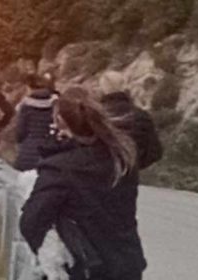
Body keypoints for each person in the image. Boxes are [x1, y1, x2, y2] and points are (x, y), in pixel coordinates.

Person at [19, 87, 146, 280]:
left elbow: (31, 221)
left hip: (85, 269)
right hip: (126, 265)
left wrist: (53, 257)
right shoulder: (122, 157)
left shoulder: (60, 168)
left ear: (60, 121)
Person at [98, 70, 163, 170]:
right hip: (130, 179)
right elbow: (155, 152)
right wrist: (134, 166)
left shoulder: (96, 117)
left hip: (100, 177)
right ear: (124, 87)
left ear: (102, 90)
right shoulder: (142, 116)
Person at [14, 72, 70, 171]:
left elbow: (19, 134)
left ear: (30, 87)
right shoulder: (55, 104)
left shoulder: (26, 106)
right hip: (48, 154)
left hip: (27, 154)